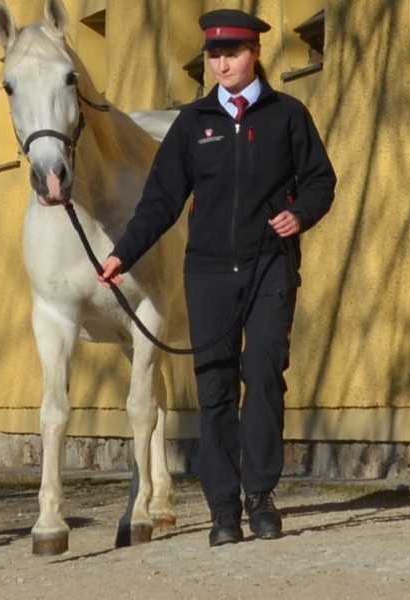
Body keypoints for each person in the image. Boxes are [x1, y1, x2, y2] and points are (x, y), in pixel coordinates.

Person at [97, 8, 336, 547]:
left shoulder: (287, 115)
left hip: (271, 266)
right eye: (214, 55)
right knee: (216, 388)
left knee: (266, 374)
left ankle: (260, 496)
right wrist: (122, 255)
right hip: (207, 273)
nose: (222, 64)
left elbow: (321, 181)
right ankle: (224, 510)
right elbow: (161, 201)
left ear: (254, 55)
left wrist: (299, 214)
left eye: (232, 53)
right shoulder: (193, 123)